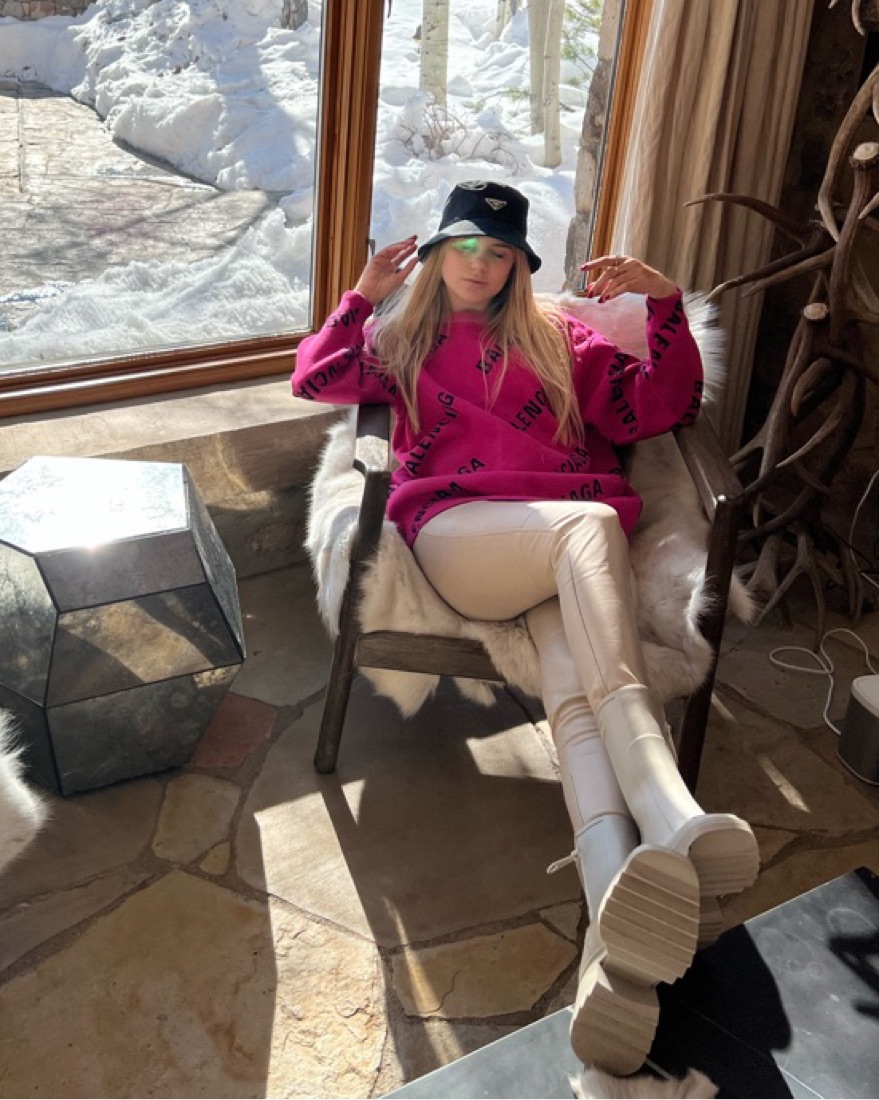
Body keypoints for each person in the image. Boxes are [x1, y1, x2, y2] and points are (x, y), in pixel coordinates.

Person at [292, 180, 758, 1075]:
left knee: (575, 691)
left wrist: (664, 305)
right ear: (437, 256)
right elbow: (313, 377)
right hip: (464, 538)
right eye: (464, 247)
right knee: (589, 528)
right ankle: (666, 800)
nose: (480, 264)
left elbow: (657, 410)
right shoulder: (404, 337)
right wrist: (362, 294)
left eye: (499, 252)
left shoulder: (560, 337)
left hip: (561, 559)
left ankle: (613, 963)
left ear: (518, 266)